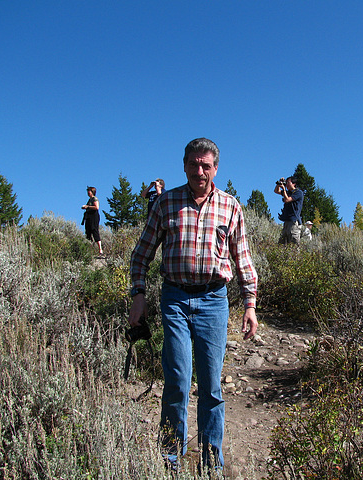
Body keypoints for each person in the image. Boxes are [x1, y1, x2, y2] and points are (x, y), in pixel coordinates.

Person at [128, 138, 258, 473]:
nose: (200, 171)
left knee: (212, 385)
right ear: (184, 165)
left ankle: (211, 460)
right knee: (177, 381)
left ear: (216, 169)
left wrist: (250, 303)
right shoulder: (166, 203)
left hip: (214, 300)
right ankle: (169, 460)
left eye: (206, 165)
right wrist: (138, 295)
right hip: (174, 298)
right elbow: (142, 254)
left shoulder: (230, 206)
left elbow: (241, 258)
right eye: (194, 164)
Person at [274, 176, 304, 244]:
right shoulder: (288, 192)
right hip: (287, 221)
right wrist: (279, 184)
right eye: (286, 183)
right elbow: (276, 191)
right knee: (282, 243)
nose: (287, 184)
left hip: (294, 221)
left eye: (288, 182)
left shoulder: (298, 192)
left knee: (294, 243)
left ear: (294, 184)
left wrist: (284, 189)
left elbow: (287, 200)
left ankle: (296, 255)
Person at [82, 186, 103, 255]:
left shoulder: (95, 199)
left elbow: (96, 207)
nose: (88, 192)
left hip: (94, 217)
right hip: (88, 217)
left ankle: (100, 249)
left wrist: (87, 206)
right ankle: (90, 249)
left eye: (89, 191)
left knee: (95, 231)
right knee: (88, 232)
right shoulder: (89, 200)